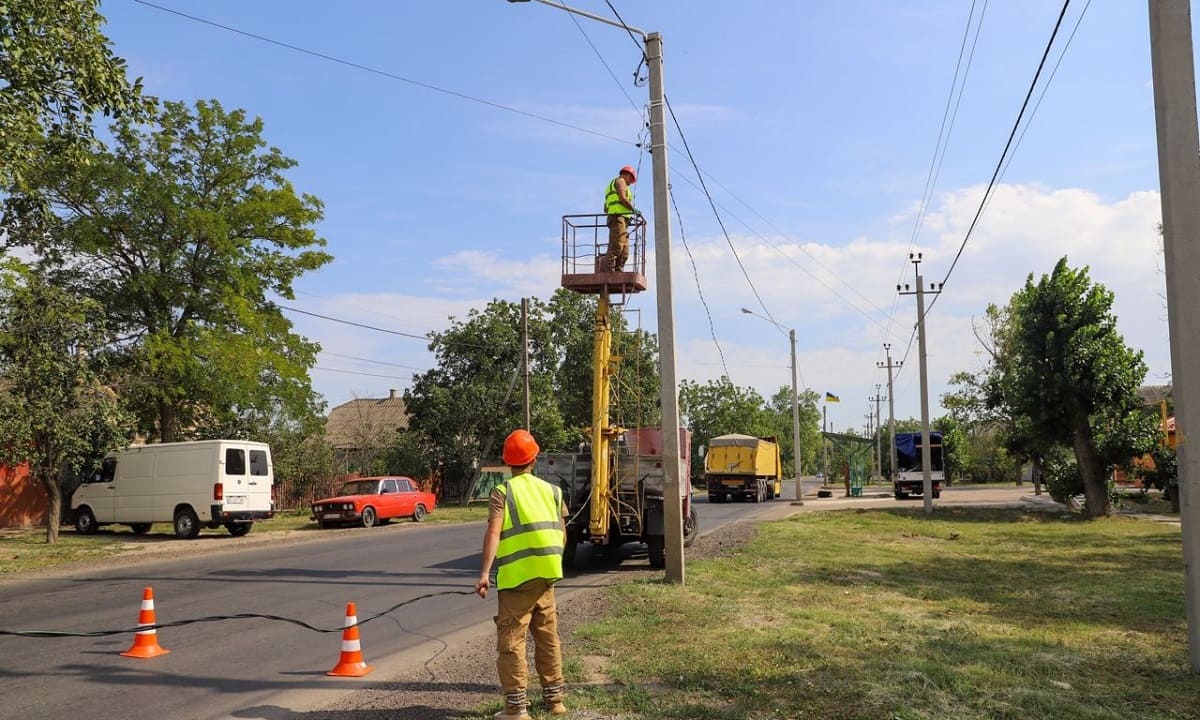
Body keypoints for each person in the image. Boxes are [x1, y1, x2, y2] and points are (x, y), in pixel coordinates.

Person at [476, 429, 569, 719]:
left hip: (517, 580)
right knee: (547, 638)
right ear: (535, 458)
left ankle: (516, 709)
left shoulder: (502, 492)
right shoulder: (553, 491)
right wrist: (550, 562)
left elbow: (494, 531)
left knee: (512, 642)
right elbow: (562, 532)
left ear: (507, 462)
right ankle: (555, 701)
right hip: (547, 576)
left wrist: (484, 574)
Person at [603, 165, 638, 271]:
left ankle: (618, 270)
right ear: (626, 174)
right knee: (617, 245)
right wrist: (633, 209)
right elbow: (623, 198)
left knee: (624, 250)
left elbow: (605, 208)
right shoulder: (620, 181)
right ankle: (610, 270)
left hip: (620, 218)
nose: (630, 183)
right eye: (631, 180)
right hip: (618, 218)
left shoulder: (611, 186)